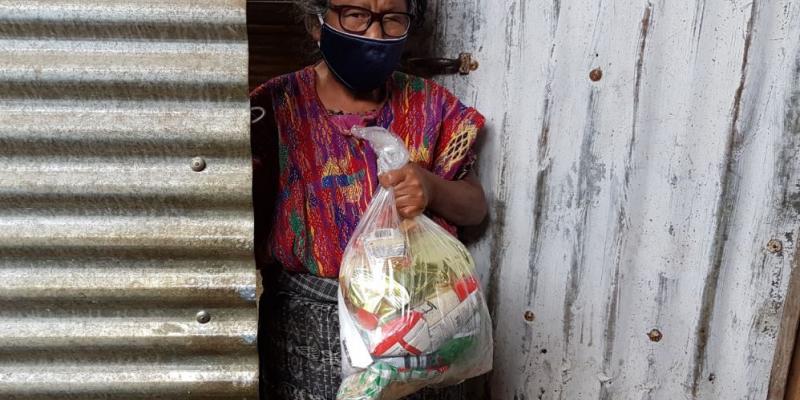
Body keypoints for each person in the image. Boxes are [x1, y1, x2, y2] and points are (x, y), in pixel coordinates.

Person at [250, 1, 488, 398]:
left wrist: (430, 188)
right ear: (317, 22)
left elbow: (475, 206)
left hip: (421, 323)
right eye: (356, 15)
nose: (374, 35)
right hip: (309, 328)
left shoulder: (431, 106)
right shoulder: (276, 106)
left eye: (392, 20)